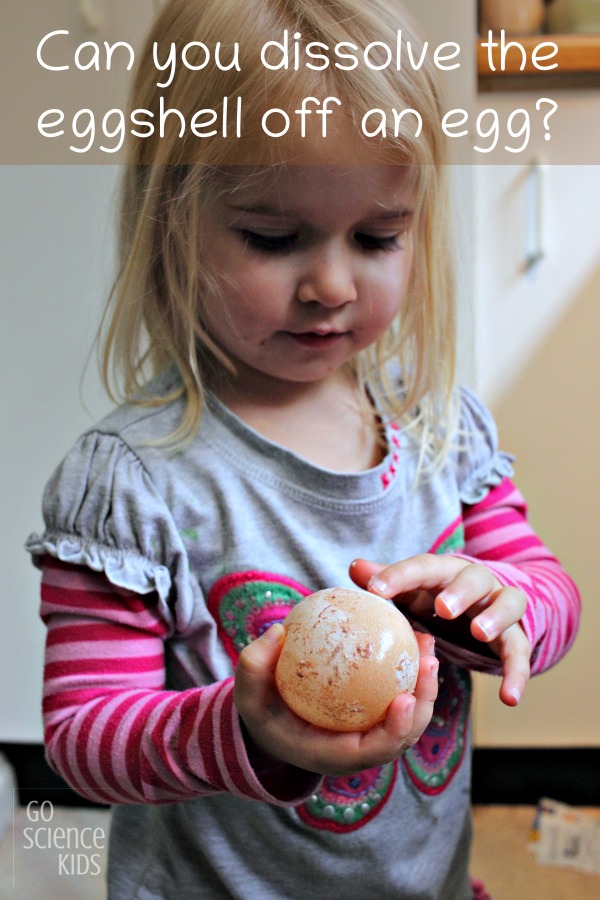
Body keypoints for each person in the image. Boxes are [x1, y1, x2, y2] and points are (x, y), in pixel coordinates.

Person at [26, 0, 580, 897]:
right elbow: (85, 739)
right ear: (175, 221)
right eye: (274, 238)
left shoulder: (441, 427)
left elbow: (547, 594)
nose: (329, 283)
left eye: (376, 238)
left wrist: (506, 602)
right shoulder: (133, 483)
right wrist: (245, 730)